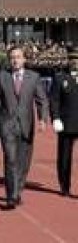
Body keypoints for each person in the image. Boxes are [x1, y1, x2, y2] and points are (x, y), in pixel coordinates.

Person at [0, 46, 49, 210]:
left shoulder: (34, 77)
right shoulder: (1, 77)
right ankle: (11, 196)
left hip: (27, 125)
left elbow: (42, 100)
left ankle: (18, 190)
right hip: (7, 125)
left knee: (24, 162)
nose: (15, 60)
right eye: (12, 57)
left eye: (18, 57)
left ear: (24, 59)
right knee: (10, 160)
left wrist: (42, 119)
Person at [50, 50, 78, 197]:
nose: (75, 62)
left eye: (77, 59)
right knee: (65, 156)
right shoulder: (60, 78)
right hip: (67, 122)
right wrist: (55, 118)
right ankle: (64, 185)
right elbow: (54, 100)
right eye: (72, 59)